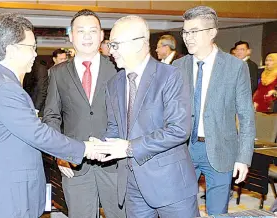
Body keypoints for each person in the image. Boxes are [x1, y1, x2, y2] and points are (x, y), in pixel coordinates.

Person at [0, 13, 108, 218]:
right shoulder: (4, 88)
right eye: (31, 47)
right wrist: (85, 148)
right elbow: (38, 134)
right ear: (12, 50)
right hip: (6, 196)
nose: (35, 54)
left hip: (9, 191)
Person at [97, 15, 199, 218]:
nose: (111, 51)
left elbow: (178, 130)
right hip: (132, 185)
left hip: (171, 186)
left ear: (138, 43)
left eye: (115, 44)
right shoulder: (114, 83)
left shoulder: (171, 76)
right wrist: (101, 147)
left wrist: (128, 147)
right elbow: (114, 128)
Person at [43, 9, 125, 218]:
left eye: (92, 31)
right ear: (71, 36)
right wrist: (61, 154)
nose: (87, 36)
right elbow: (51, 116)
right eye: (81, 31)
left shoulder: (118, 68)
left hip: (115, 164)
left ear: (101, 35)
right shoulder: (57, 73)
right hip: (75, 164)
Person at [173, 6, 255, 215]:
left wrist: (243, 157)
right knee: (181, 208)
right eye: (185, 32)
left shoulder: (235, 67)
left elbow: (246, 116)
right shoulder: (177, 66)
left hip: (221, 150)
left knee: (218, 212)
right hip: (184, 150)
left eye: (194, 32)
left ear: (212, 32)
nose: (188, 38)